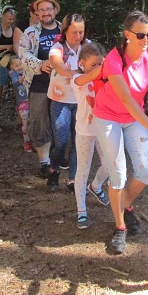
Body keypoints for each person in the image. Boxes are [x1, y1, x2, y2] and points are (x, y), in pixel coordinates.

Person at [92, 10, 148, 255]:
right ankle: (120, 226)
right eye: (141, 35)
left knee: (145, 173)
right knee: (118, 174)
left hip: (133, 117)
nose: (146, 39)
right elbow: (127, 99)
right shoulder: (114, 59)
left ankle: (124, 206)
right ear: (127, 34)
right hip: (108, 117)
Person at [19, 0, 62, 177]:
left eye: (48, 9)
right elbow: (23, 53)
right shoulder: (30, 32)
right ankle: (44, 162)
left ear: (55, 10)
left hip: (63, 86)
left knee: (61, 121)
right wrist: (40, 64)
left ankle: (59, 155)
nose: (46, 13)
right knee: (39, 121)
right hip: (39, 84)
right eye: (42, 10)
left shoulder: (65, 29)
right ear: (37, 13)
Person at [70, 41, 111, 229]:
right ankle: (81, 210)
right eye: (93, 64)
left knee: (110, 166)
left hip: (104, 129)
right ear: (81, 63)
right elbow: (89, 77)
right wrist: (107, 66)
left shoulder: (106, 79)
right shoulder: (77, 79)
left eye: (99, 64)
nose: (96, 68)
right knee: (83, 170)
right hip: (85, 131)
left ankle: (95, 186)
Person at [46, 13, 86, 193]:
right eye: (74, 32)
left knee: (79, 141)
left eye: (81, 32)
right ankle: (54, 169)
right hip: (60, 101)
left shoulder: (88, 47)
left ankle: (73, 178)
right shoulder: (58, 47)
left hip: (81, 102)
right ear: (65, 31)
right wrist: (73, 73)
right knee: (61, 142)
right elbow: (57, 64)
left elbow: (100, 62)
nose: (78, 36)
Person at [0, 5, 23, 133]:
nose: (11, 21)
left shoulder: (14, 29)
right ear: (3, 17)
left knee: (18, 91)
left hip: (12, 64)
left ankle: (19, 122)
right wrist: (7, 46)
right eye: (9, 18)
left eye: (13, 19)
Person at [9, 56, 32, 152]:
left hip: (31, 100)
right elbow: (14, 84)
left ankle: (33, 140)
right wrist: (20, 80)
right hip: (22, 102)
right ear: (12, 67)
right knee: (25, 122)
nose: (19, 67)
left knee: (32, 121)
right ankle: (26, 141)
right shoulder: (14, 74)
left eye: (20, 64)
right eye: (16, 65)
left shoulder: (27, 71)